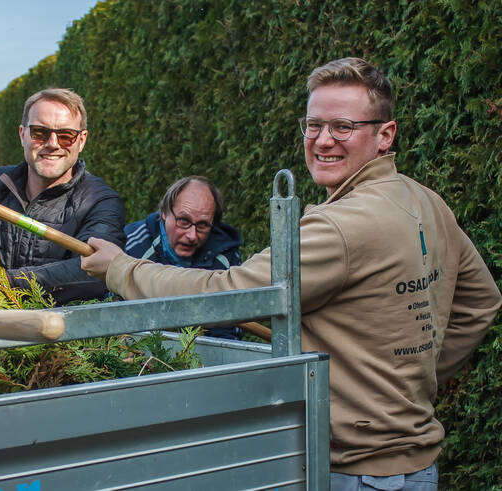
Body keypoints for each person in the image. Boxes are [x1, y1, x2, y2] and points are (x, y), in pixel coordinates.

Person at [81, 57, 501, 489]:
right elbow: (482, 302)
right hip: (415, 470)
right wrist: (412, 382)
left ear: (385, 135)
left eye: (343, 126)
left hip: (354, 473)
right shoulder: (425, 201)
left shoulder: (341, 225)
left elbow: (228, 294)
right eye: (314, 125)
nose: (323, 140)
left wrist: (120, 269)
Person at [0, 88, 125, 305]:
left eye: (66, 136)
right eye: (40, 133)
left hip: (57, 325)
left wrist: (3, 282)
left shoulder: (100, 202)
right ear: (22, 134)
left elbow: (95, 271)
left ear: (81, 140)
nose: (53, 143)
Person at [125, 176, 243, 339]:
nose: (192, 236)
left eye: (202, 225)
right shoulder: (133, 246)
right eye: (184, 221)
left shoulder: (225, 256)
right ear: (164, 212)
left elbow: (228, 333)